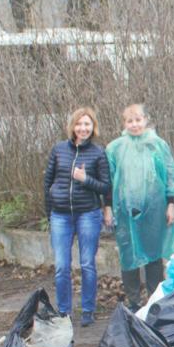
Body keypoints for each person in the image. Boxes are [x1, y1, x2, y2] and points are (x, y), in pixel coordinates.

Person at [104, 104, 174, 309]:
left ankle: (155, 300)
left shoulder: (157, 145)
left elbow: (171, 176)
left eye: (138, 120)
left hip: (154, 210)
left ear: (146, 120)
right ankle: (134, 301)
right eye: (130, 121)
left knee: (153, 255)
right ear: (124, 123)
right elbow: (108, 181)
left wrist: (171, 204)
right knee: (128, 256)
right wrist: (108, 207)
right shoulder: (115, 148)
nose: (134, 124)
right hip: (126, 212)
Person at [44, 106, 111, 326]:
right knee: (62, 265)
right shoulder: (58, 150)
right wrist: (49, 212)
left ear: (93, 128)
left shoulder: (98, 153)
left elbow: (105, 187)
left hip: (88, 215)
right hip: (60, 215)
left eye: (87, 124)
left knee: (87, 264)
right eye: (79, 124)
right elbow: (47, 182)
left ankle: (88, 310)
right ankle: (64, 311)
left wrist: (85, 179)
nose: (83, 128)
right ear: (73, 126)